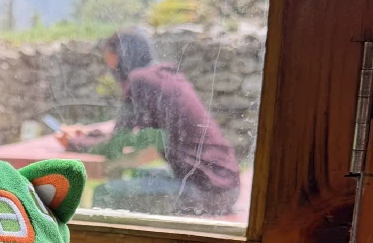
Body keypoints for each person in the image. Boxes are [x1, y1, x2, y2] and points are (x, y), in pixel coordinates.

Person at [59, 29, 241, 216]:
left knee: (104, 192)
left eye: (110, 58)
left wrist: (71, 142)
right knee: (139, 174)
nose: (109, 65)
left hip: (206, 191)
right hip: (223, 185)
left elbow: (116, 145)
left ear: (121, 56)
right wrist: (89, 135)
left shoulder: (139, 80)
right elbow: (125, 133)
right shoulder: (162, 76)